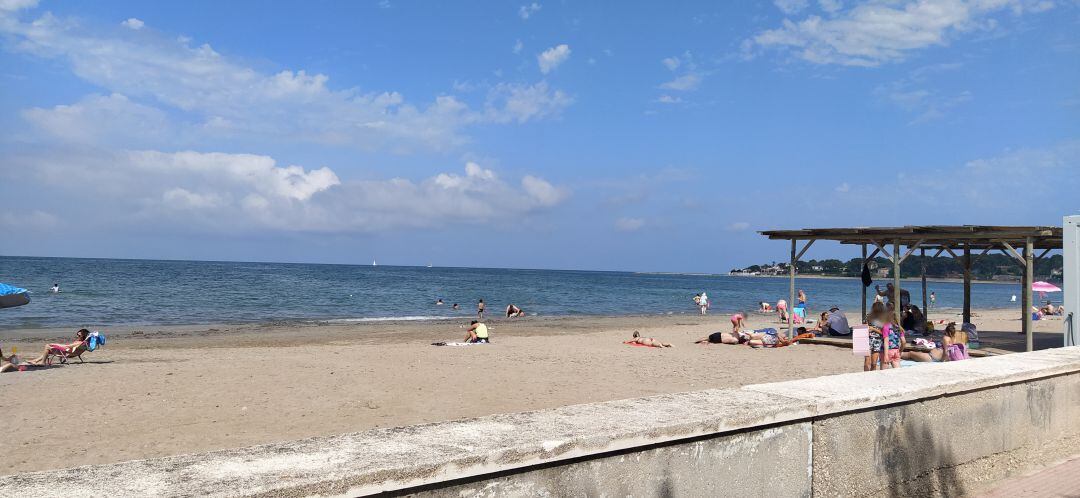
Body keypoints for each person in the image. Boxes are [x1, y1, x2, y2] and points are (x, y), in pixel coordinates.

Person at [25, 329, 90, 366]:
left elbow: (67, 346)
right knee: (49, 350)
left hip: (66, 352)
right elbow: (70, 348)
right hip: (69, 352)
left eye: (79, 335)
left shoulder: (79, 343)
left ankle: (42, 362)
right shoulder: (84, 343)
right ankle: (35, 360)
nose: (77, 336)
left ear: (83, 335)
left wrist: (55, 344)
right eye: (77, 334)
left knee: (47, 346)